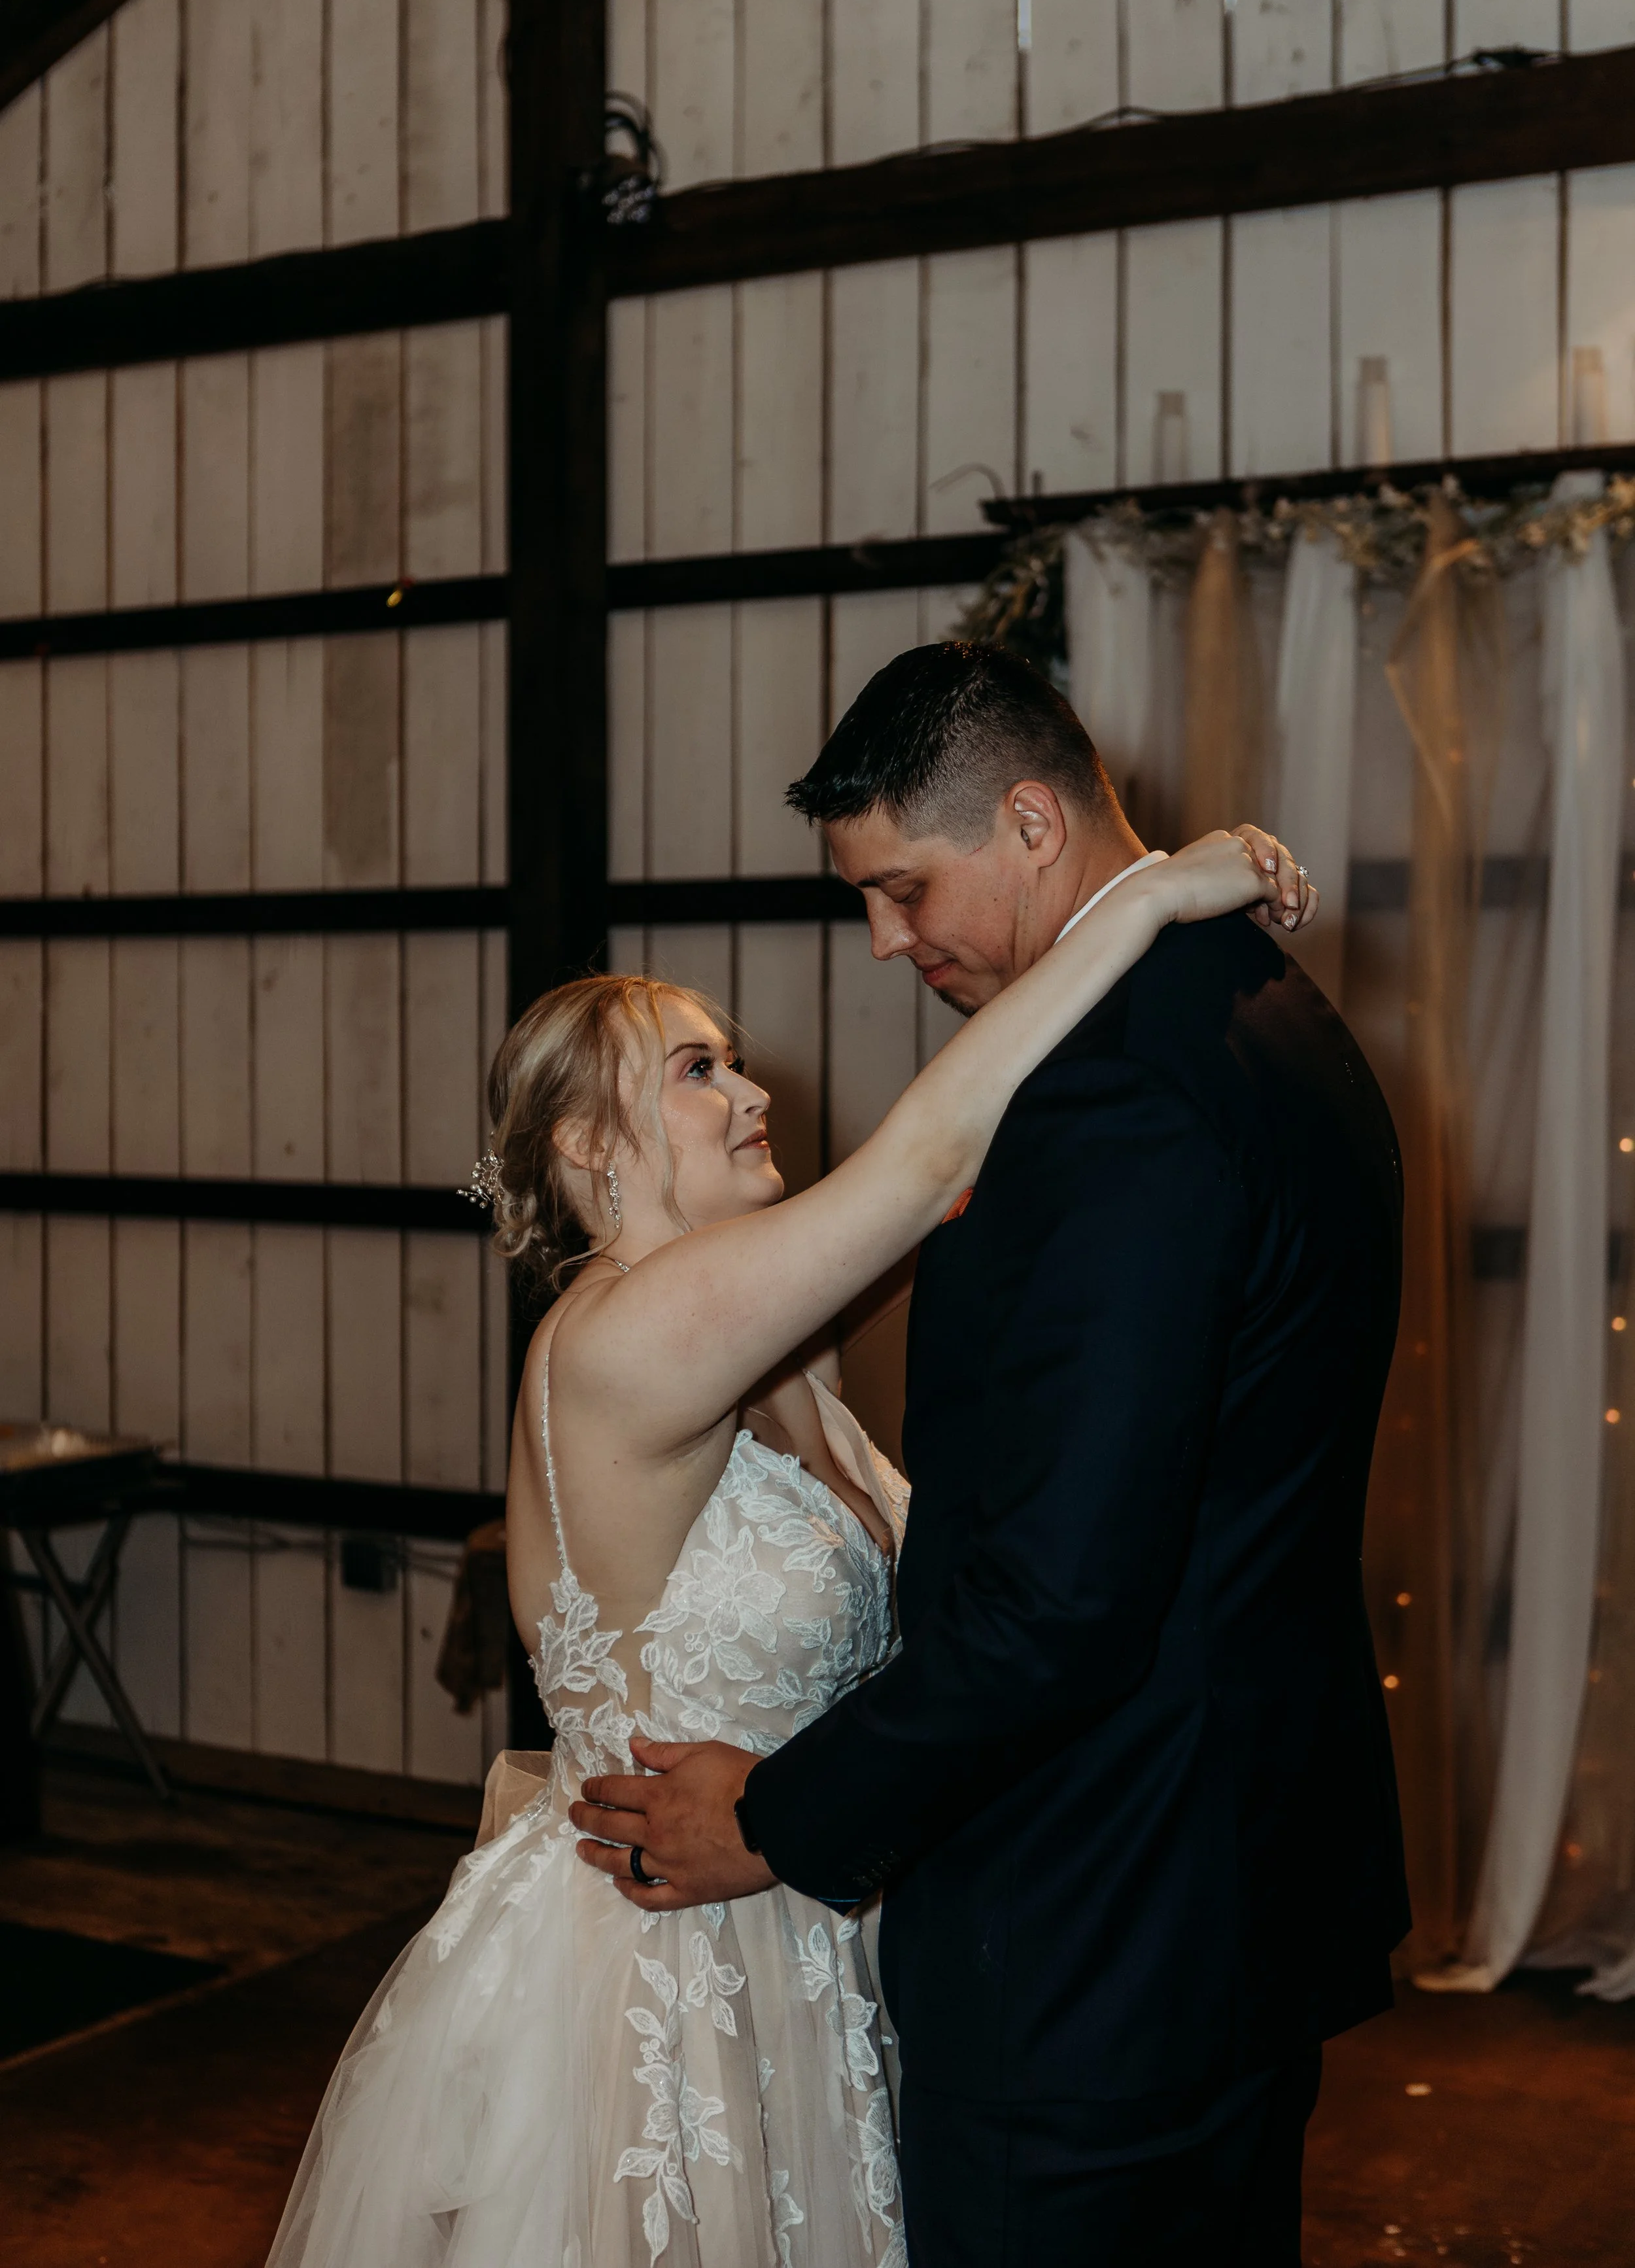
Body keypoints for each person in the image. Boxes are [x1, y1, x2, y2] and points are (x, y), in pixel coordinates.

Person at [265, 757, 1307, 2267]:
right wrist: (1141, 898)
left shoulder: (771, 1343)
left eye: (729, 1058)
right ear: (584, 1147)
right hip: (656, 1986)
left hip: (797, 1938)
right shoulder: (619, 1335)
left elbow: (970, 1214)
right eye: (695, 1071)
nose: (752, 1087)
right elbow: (933, 1149)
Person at [572, 644, 1410, 2268]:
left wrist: (780, 1819)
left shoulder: (1113, 1104)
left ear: (1031, 825)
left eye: (900, 889)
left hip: (1091, 1926)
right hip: (1226, 1891)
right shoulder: (1265, 1019)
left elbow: (1056, 1602)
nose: (886, 943)